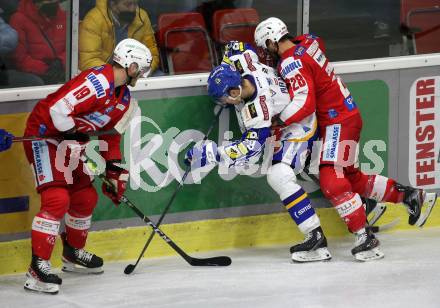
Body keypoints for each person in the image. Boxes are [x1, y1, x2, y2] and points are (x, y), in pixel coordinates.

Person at [254, 17, 437, 261]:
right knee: (351, 177)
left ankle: (365, 238)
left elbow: (304, 103)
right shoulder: (308, 43)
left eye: (266, 47)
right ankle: (410, 196)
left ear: (271, 41)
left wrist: (277, 119)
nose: (267, 53)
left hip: (337, 121)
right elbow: (317, 42)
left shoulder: (290, 62)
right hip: (345, 116)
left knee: (332, 178)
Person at [22, 38, 152, 294]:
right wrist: (72, 136)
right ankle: (37, 269)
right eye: (142, 69)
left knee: (85, 197)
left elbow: (111, 135)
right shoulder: (96, 82)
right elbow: (59, 111)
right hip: (44, 135)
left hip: (69, 140)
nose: (143, 74)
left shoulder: (123, 97)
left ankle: (72, 253)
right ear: (132, 65)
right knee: (57, 199)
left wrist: (114, 171)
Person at [185, 46, 332, 263]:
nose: (223, 104)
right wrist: (224, 67)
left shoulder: (257, 111)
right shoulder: (244, 63)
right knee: (315, 170)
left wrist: (211, 154)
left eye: (224, 99)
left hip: (299, 127)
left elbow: (251, 151)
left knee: (279, 175)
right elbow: (235, 46)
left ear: (235, 92)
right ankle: (361, 202)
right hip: (284, 123)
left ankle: (316, 236)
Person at [79, 0, 159, 74]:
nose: (133, 9)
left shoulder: (142, 17)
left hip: (135, 73)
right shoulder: (93, 20)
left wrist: (143, 71)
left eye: (135, 4)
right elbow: (88, 61)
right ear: (113, 5)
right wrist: (120, 75)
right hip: (104, 76)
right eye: (128, 4)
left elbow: (152, 53)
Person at [9, 0, 66, 85]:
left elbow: (72, 47)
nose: (53, 4)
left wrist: (61, 61)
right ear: (36, 2)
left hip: (61, 69)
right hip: (36, 74)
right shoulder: (18, 19)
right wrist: (45, 70)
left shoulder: (62, 17)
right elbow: (20, 58)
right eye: (48, 2)